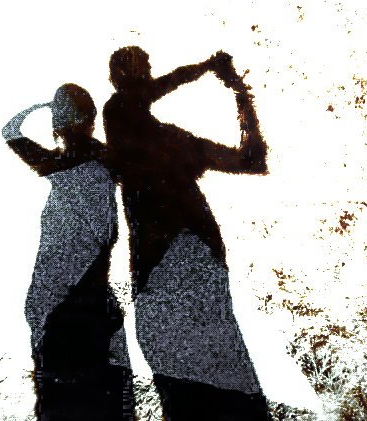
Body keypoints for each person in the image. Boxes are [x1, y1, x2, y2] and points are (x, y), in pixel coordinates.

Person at [104, 47, 271, 420]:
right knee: (222, 372)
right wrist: (235, 90)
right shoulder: (148, 131)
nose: (144, 80)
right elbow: (252, 159)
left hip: (167, 269)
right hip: (194, 263)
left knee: (193, 382)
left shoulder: (143, 136)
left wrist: (234, 91)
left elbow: (251, 161)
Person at [2, 84, 133, 421]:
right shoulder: (103, 161)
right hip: (83, 296)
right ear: (91, 120)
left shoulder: (58, 164)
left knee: (62, 395)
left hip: (64, 297)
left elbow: (10, 131)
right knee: (101, 394)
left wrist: (39, 106)